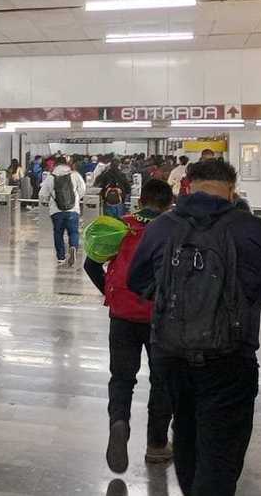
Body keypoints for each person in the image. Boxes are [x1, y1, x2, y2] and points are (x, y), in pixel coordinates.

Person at [128, 159, 261, 496]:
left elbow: (137, 280)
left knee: (187, 433)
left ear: (188, 185)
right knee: (221, 449)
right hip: (230, 356)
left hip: (171, 353)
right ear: (231, 189)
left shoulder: (162, 227)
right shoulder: (253, 228)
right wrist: (248, 293)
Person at [83, 179, 175, 473]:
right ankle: (157, 445)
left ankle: (119, 422)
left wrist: (110, 293)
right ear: (168, 204)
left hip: (122, 315)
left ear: (140, 201)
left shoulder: (122, 226)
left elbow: (90, 264)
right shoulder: (174, 228)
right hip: (161, 318)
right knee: (162, 381)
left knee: (122, 378)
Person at [39, 157, 86, 266]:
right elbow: (83, 189)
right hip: (73, 210)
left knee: (58, 233)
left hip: (56, 211)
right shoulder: (75, 175)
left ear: (55, 165)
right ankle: (73, 246)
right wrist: (76, 199)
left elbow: (42, 194)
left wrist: (48, 201)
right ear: (67, 164)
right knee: (73, 232)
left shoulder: (50, 177)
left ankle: (61, 257)